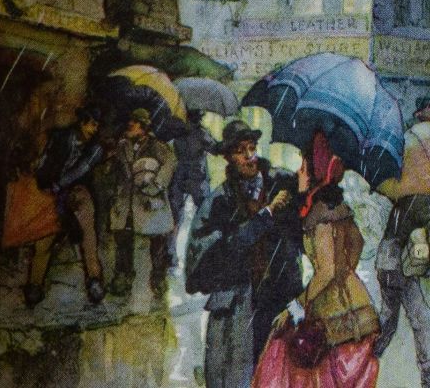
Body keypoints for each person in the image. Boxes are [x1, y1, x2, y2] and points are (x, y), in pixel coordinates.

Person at [187, 121, 303, 388]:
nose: (250, 156)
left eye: (252, 148)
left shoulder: (280, 184)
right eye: (241, 150)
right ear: (229, 157)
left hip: (277, 299)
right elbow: (216, 252)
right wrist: (266, 216)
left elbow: (296, 239)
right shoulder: (220, 201)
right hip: (238, 306)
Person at [252, 180, 380, 388]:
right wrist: (345, 272)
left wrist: (297, 305)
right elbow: (357, 243)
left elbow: (326, 271)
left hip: (333, 312)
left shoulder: (321, 220)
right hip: (359, 306)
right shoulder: (343, 217)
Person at [27, 105, 106, 306]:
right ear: (82, 123)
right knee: (44, 237)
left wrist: (58, 185)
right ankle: (35, 284)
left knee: (88, 233)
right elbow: (45, 161)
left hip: (77, 191)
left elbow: (80, 170)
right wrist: (45, 185)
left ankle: (94, 280)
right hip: (52, 191)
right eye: (92, 125)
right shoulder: (62, 137)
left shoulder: (96, 148)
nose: (94, 130)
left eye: (97, 126)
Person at [375, 97, 430, 386]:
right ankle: (360, 366)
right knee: (390, 322)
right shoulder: (412, 192)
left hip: (398, 259)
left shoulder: (409, 188)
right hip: (394, 258)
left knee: (407, 322)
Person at [108, 107, 178, 301]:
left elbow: (170, 164)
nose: (130, 126)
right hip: (126, 200)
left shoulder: (157, 146)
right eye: (130, 123)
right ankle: (123, 276)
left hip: (150, 200)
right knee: (123, 238)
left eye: (134, 123)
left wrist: (156, 185)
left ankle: (158, 278)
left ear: (144, 127)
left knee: (158, 241)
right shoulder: (122, 146)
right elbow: (115, 171)